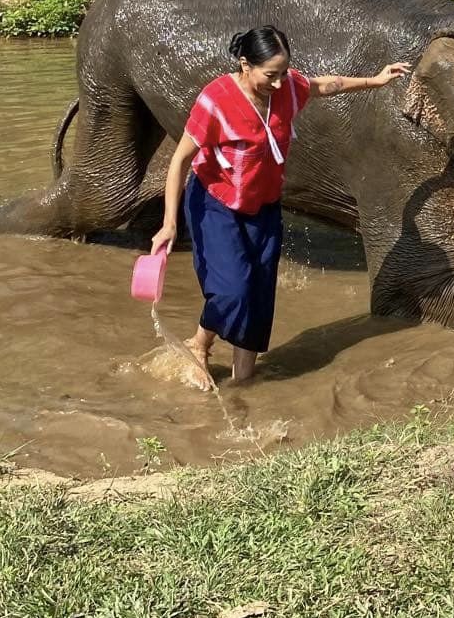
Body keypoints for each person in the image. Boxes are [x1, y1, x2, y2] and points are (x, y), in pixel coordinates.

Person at [152, 27, 408, 385]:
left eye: (284, 72)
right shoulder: (216, 101)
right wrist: (169, 223)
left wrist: (374, 81)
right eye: (270, 75)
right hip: (216, 203)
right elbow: (179, 161)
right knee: (232, 291)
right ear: (245, 64)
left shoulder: (287, 88)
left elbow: (323, 85)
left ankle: (245, 383)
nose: (278, 83)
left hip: (264, 206)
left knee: (258, 294)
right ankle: (199, 345)